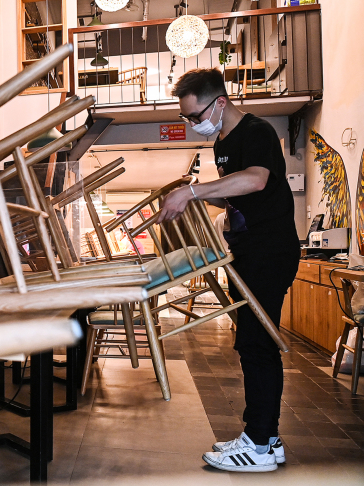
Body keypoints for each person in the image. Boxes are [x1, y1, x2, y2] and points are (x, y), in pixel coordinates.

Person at [157, 68, 300, 472]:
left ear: (220, 102)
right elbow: (236, 193)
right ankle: (265, 439)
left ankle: (257, 443)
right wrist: (198, 201)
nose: (191, 124)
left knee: (257, 342)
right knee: (252, 342)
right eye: (186, 118)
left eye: (194, 116)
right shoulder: (222, 141)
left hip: (269, 250)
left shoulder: (257, 132)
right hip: (248, 249)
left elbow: (255, 181)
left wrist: (192, 191)